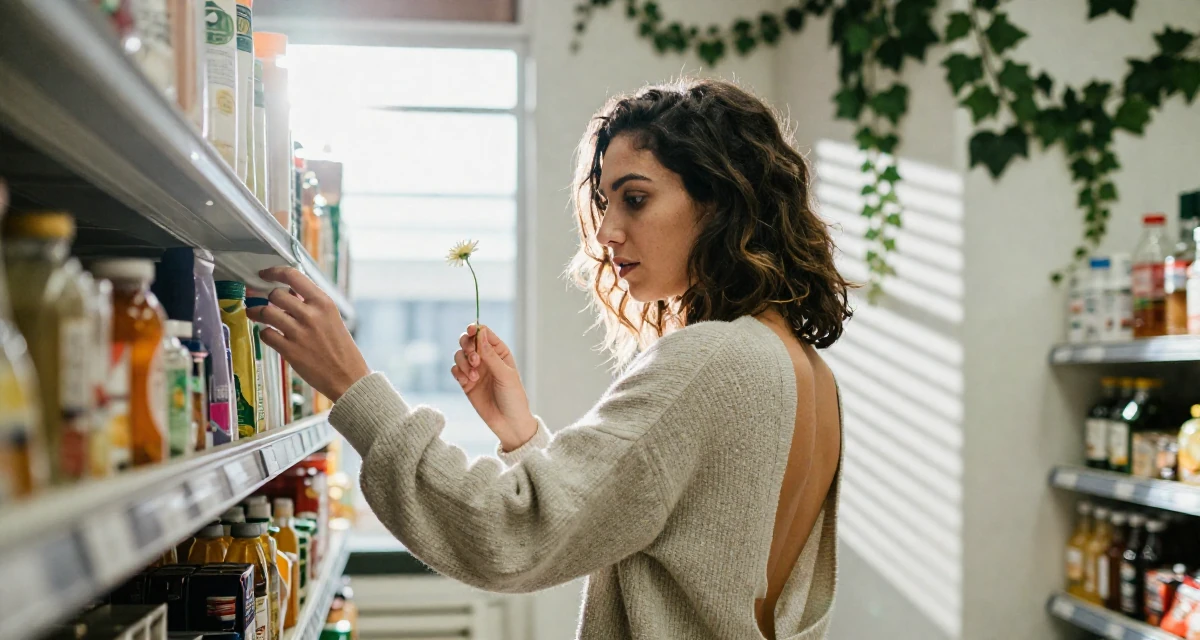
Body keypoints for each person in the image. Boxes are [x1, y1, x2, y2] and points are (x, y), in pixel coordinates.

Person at [248, 78, 849, 640]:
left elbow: (508, 534)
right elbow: (665, 539)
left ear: (720, 201)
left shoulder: (710, 360)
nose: (608, 230)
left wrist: (354, 387)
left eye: (635, 199)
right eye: (606, 201)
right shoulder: (802, 371)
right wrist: (522, 435)